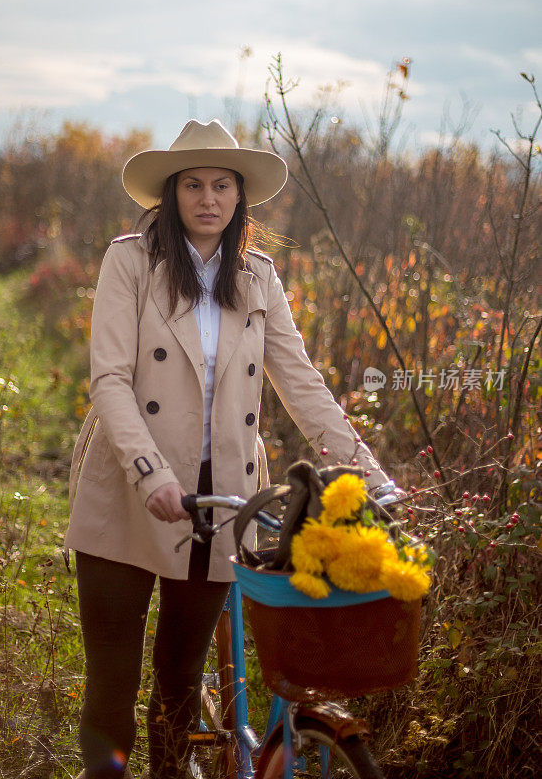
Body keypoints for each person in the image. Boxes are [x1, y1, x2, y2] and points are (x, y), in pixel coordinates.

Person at [65, 119, 400, 779]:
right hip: (130, 486)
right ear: (171, 193)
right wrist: (149, 474)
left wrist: (369, 472)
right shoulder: (130, 261)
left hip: (221, 501)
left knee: (179, 685)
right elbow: (109, 378)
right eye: (193, 184)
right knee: (112, 686)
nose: (208, 198)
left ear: (240, 197)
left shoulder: (257, 278)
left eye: (222, 185)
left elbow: (299, 381)